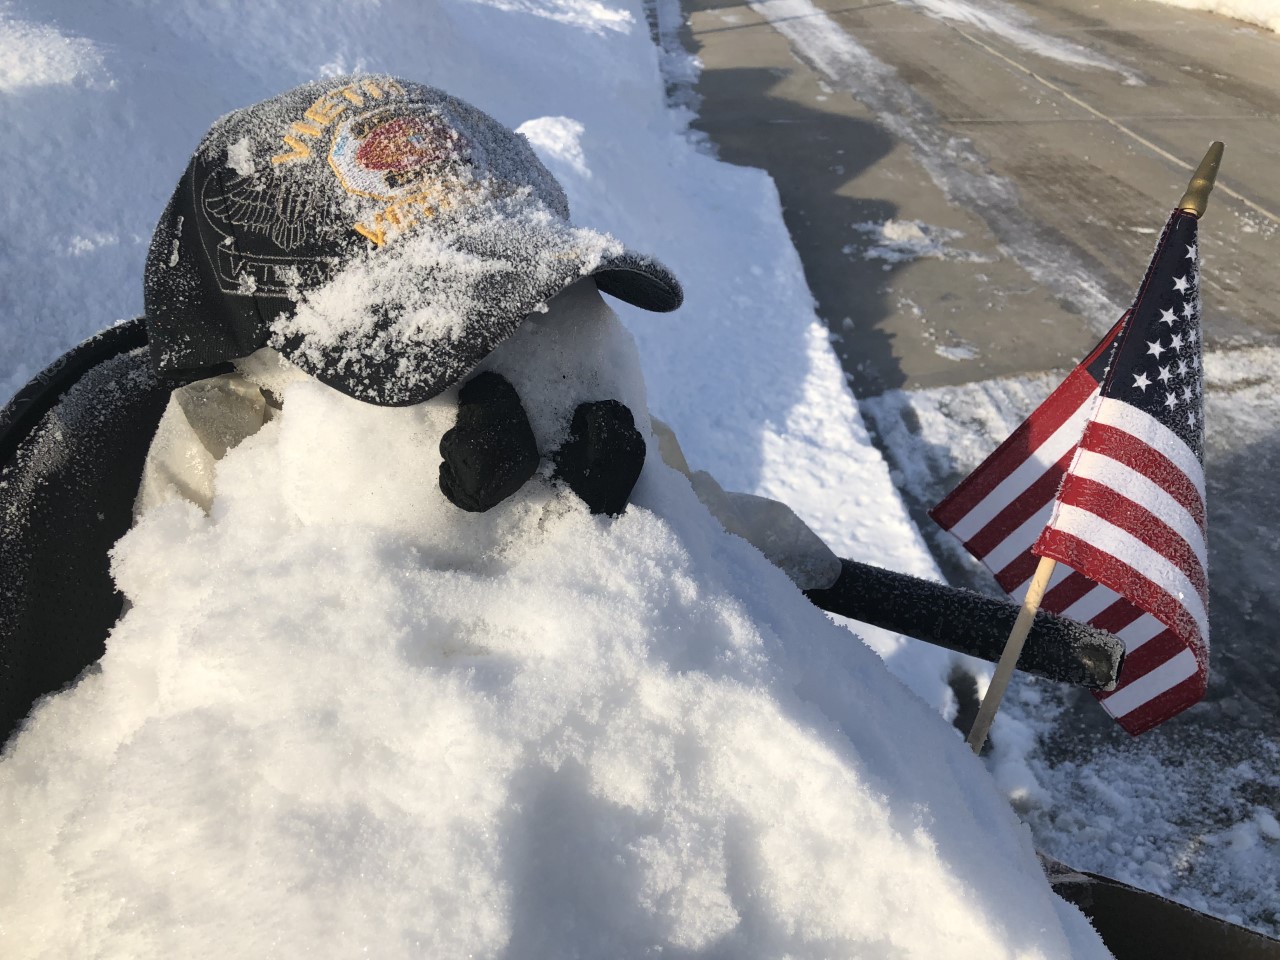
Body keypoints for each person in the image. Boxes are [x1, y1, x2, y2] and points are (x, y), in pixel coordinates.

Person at [138, 75, 842, 591]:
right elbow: (202, 633)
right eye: (433, 351)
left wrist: (702, 543)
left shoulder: (581, 421)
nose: (530, 354)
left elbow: (707, 517)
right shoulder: (221, 443)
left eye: (538, 305)